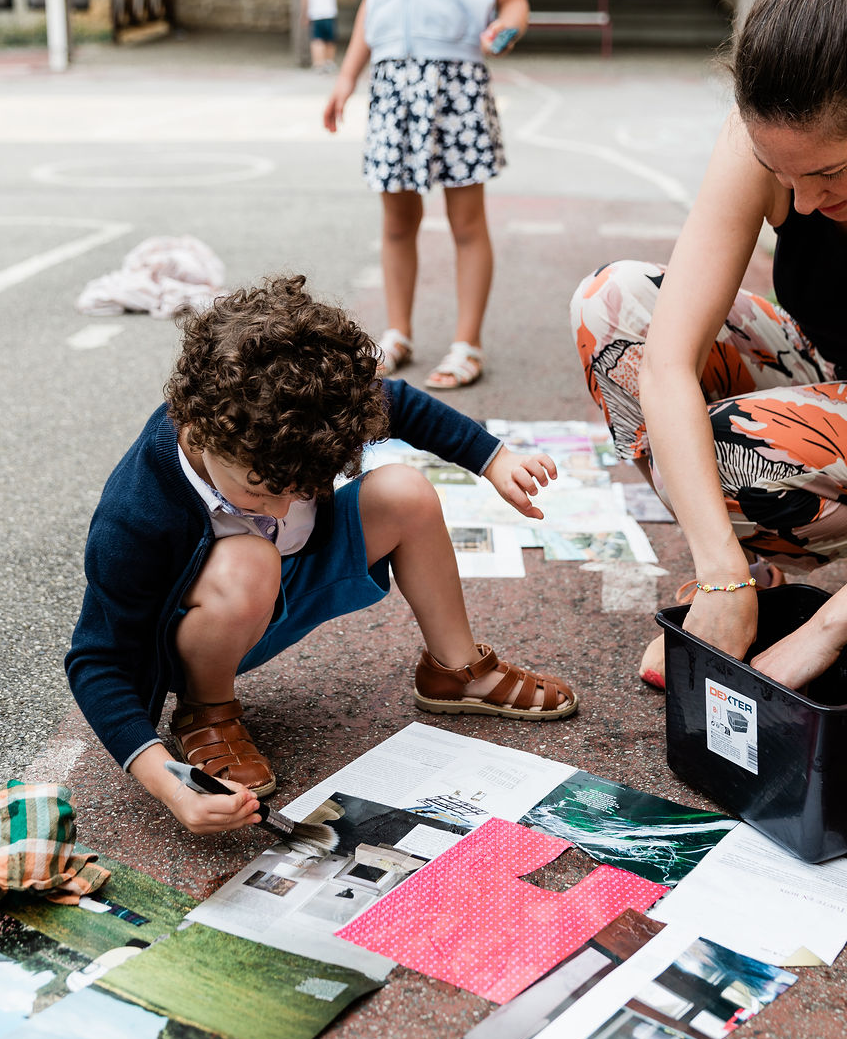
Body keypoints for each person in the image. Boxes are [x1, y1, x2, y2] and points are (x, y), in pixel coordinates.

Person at [569, 0, 847, 692]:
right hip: (841, 383)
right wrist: (722, 577)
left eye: (829, 173)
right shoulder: (767, 136)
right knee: (613, 305)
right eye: (779, 172)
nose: (800, 201)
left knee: (742, 441)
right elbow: (667, 362)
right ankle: (750, 576)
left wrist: (826, 633)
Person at [66, 275, 577, 837]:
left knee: (404, 490)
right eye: (262, 492)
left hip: (289, 584)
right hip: (210, 625)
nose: (285, 508)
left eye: (306, 487)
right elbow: (97, 660)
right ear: (204, 432)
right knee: (250, 559)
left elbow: (400, 402)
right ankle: (207, 711)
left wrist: (493, 459)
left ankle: (456, 671)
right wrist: (167, 783)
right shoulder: (134, 511)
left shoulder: (310, 414)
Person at [322, 0, 529, 391]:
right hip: (392, 83)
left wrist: (506, 29)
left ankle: (467, 344)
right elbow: (373, 1)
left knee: (467, 222)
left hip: (457, 81)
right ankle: (397, 334)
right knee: (397, 221)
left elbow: (514, 2)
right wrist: (346, 78)